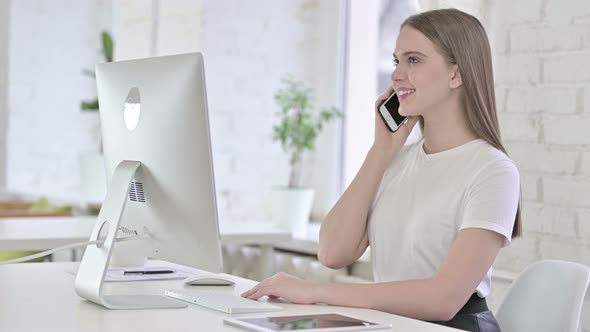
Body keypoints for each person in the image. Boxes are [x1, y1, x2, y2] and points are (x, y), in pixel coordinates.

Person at [242, 8, 521, 332]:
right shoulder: (396, 161)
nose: (397, 75)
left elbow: (444, 299)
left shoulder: (493, 170)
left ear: (456, 75)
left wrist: (315, 291)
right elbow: (333, 252)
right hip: (390, 324)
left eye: (413, 60)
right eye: (396, 61)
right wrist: (381, 151)